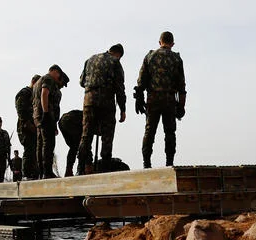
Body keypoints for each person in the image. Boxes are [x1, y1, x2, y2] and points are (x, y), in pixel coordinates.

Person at [136, 31, 186, 168]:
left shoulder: (150, 56)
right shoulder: (176, 59)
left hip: (153, 99)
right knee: (170, 132)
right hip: (169, 100)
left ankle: (146, 163)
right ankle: (169, 163)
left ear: (160, 42)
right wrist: (182, 106)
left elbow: (141, 81)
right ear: (172, 44)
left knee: (149, 131)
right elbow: (182, 86)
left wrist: (139, 99)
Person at [78, 44, 127, 174]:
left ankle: (80, 168)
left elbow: (82, 82)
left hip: (89, 101)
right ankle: (104, 170)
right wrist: (122, 109)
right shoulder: (115, 62)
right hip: (106, 103)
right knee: (107, 136)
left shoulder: (90, 59)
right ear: (118, 54)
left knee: (86, 135)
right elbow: (120, 88)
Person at [32, 65, 66, 179]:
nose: (58, 81)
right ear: (56, 72)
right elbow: (44, 93)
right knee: (48, 145)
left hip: (38, 117)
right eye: (59, 77)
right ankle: (47, 172)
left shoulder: (38, 82)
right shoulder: (48, 79)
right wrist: (46, 113)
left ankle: (42, 172)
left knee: (41, 144)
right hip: (45, 116)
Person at [15, 75, 41, 180]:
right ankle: (26, 174)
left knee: (35, 150)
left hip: (33, 126)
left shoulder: (34, 94)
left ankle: (34, 173)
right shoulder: (25, 93)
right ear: (34, 82)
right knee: (29, 149)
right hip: (25, 127)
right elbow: (20, 110)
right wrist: (27, 123)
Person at [58, 110, 84, 177]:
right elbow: (86, 144)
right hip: (71, 120)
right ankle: (81, 169)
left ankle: (69, 171)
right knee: (81, 145)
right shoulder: (92, 121)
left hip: (62, 121)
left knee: (74, 147)